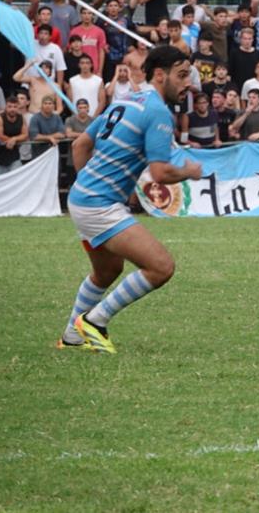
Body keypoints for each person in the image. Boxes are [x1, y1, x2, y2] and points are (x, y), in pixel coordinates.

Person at [58, 46, 203, 352]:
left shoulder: (124, 102)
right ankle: (95, 322)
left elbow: (81, 145)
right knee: (161, 266)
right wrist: (189, 172)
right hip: (99, 205)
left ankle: (72, 336)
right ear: (159, 75)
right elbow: (160, 173)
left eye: (188, 74)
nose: (188, 82)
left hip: (82, 199)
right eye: (181, 75)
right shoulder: (158, 112)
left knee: (107, 271)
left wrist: (90, 182)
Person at [0, 95, 29, 176]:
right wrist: (12, 140)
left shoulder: (21, 118)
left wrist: (14, 139)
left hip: (14, 157)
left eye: (15, 106)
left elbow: (25, 135)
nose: (12, 109)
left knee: (16, 180)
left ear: (18, 107)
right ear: (5, 107)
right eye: (9, 106)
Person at [229, 27, 259, 92]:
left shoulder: (257, 53)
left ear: (253, 39)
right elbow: (230, 70)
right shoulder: (234, 53)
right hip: (237, 86)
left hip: (253, 86)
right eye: (245, 39)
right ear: (241, 39)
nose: (247, 41)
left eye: (249, 39)